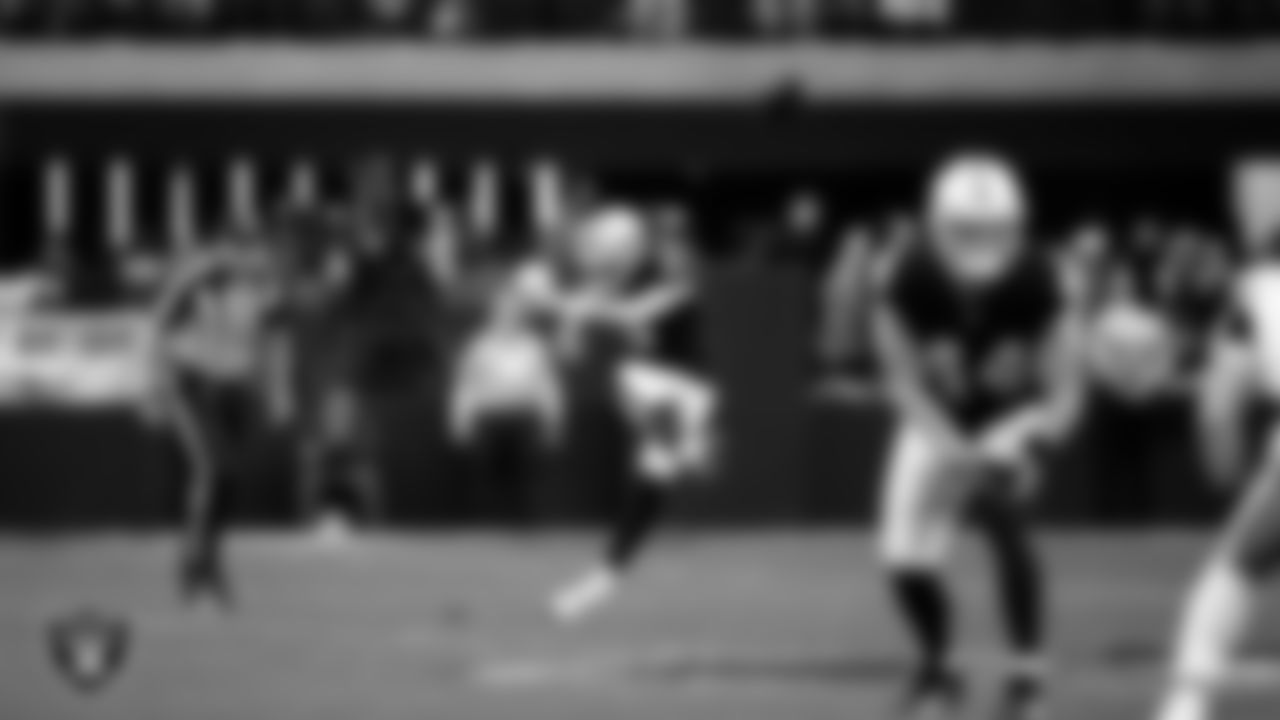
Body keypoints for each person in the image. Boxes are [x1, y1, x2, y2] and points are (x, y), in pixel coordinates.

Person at [871, 153, 1085, 720]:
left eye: (994, 229)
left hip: (1010, 416)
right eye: (968, 229)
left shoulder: (1042, 276)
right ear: (937, 224)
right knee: (903, 560)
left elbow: (1066, 389)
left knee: (1002, 516)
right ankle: (940, 670)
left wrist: (1036, 447)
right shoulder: (907, 272)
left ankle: (1027, 679)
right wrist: (950, 449)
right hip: (936, 417)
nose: (982, 242)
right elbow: (900, 381)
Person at [507, 202, 717, 623]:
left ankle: (689, 439)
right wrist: (563, 322)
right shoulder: (617, 277)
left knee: (627, 377)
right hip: (660, 400)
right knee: (649, 486)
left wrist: (559, 306)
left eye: (607, 252)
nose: (600, 263)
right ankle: (607, 575)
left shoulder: (671, 271)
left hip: (686, 391)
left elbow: (633, 314)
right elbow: (580, 319)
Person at [1150, 230, 1280, 720]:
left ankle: (1187, 702)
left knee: (1234, 570)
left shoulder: (1256, 291)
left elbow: (1218, 411)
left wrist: (1225, 469)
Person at [152, 227, 291, 608]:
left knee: (228, 476)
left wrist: (274, 391)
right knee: (212, 467)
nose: (255, 256)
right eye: (246, 248)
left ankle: (209, 559)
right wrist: (157, 381)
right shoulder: (203, 274)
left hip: (233, 386)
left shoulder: (266, 285)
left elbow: (270, 337)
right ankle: (193, 558)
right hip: (193, 381)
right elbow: (162, 322)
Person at [448, 291, 565, 526]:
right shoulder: (478, 346)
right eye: (503, 313)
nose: (508, 318)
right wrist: (460, 420)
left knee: (526, 472)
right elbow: (466, 387)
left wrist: (554, 420)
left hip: (524, 418)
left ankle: (524, 523)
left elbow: (546, 386)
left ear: (520, 318)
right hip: (489, 419)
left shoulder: (534, 347)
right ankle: (488, 523)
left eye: (513, 314)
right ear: (493, 316)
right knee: (489, 473)